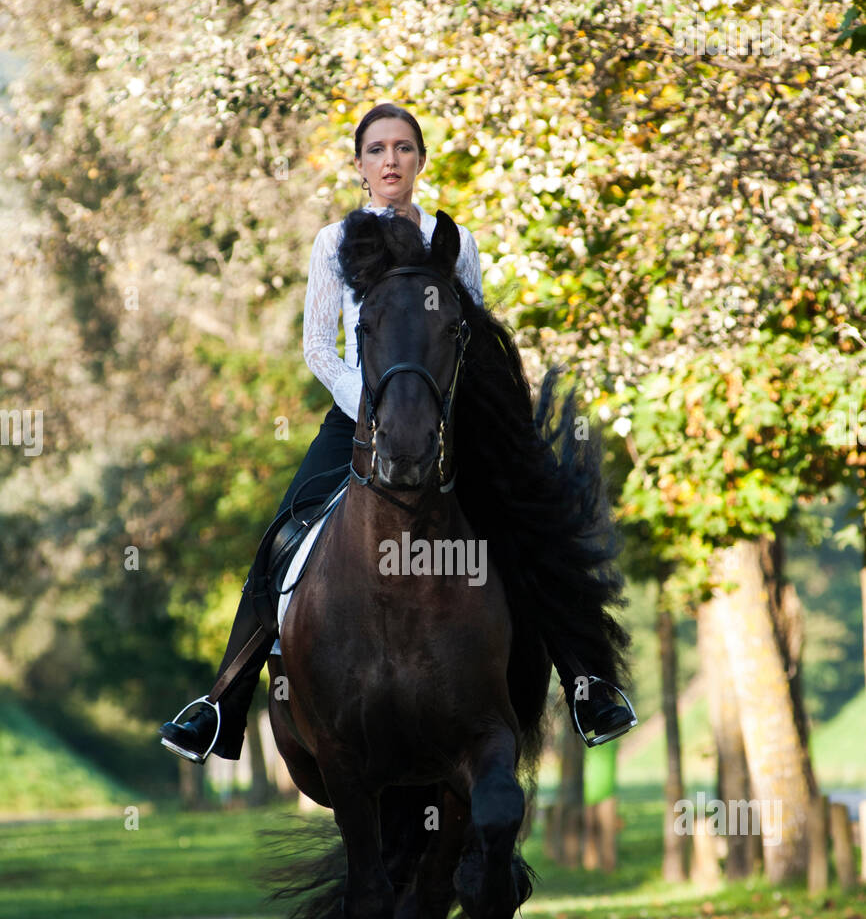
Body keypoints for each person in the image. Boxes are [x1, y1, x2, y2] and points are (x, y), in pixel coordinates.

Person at [159, 103, 636, 765]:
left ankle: (587, 686)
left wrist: (448, 415)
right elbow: (319, 349)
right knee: (282, 535)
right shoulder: (333, 242)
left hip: (444, 421)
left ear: (419, 160)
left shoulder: (455, 241)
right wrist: (374, 415)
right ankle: (221, 704)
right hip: (359, 417)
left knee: (530, 530)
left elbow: (468, 341)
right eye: (377, 149)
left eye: (404, 148)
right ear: (359, 166)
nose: (391, 160)